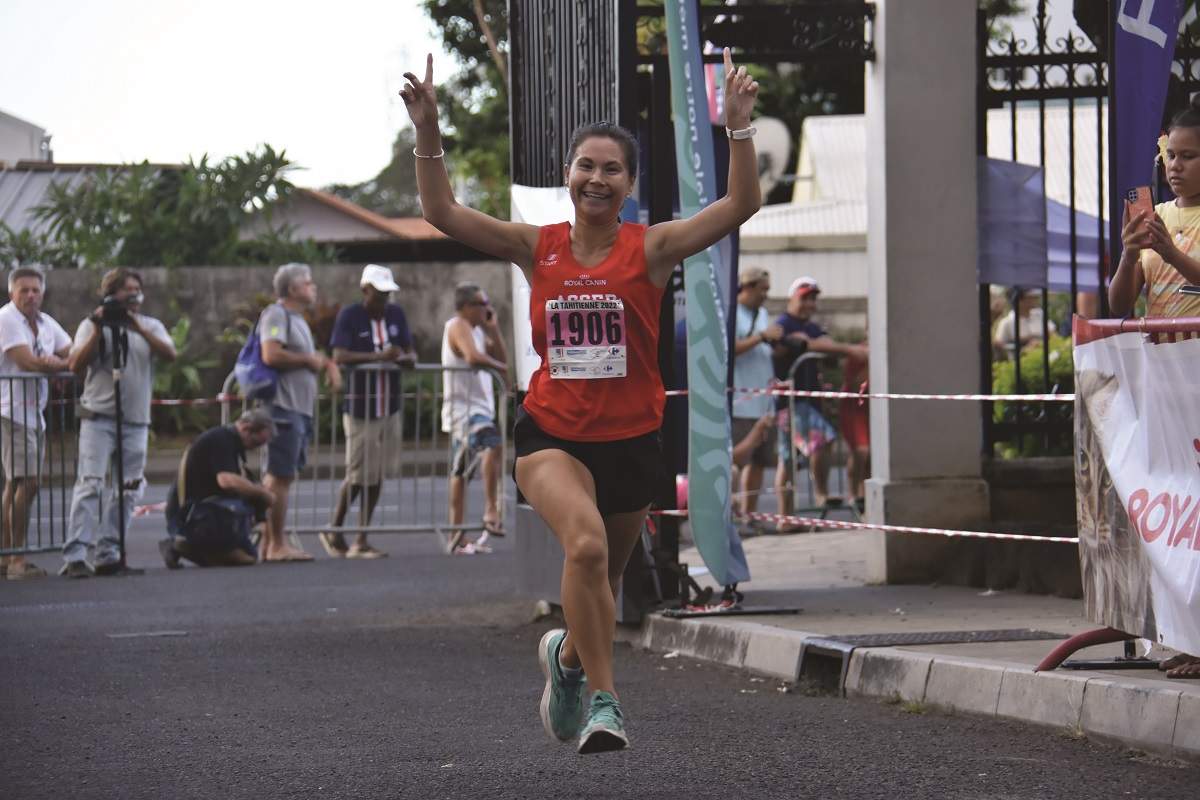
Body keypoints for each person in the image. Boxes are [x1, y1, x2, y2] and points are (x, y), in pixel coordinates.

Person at [401, 47, 761, 753]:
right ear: (567, 175)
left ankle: (567, 660)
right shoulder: (537, 247)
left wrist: (738, 129)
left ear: (630, 183)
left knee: (602, 578)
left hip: (630, 441)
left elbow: (740, 204)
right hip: (552, 435)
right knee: (588, 547)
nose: (597, 178)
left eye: (612, 169)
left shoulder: (652, 249)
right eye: (586, 166)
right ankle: (606, 702)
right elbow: (441, 209)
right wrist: (428, 131)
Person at [1109, 97, 1200, 679]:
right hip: (1163, 386)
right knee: (1174, 511)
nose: (1175, 167)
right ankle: (1180, 632)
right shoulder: (1156, 216)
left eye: (1189, 157)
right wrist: (1129, 253)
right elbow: (1120, 306)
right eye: (1171, 156)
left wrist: (1173, 253)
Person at [61, 269, 176, 579]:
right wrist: (99, 329)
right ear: (111, 294)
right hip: (98, 419)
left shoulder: (151, 325)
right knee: (91, 484)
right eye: (127, 289)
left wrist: (137, 327)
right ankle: (75, 555)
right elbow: (75, 365)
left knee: (128, 488)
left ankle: (109, 552)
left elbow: (169, 354)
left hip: (136, 421)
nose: (134, 294)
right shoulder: (91, 325)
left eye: (137, 288)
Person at [319, 264, 416, 560]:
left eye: (388, 294)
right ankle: (334, 527)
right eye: (379, 293)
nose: (384, 300)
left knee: (378, 474)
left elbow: (411, 353)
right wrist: (378, 356)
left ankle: (361, 538)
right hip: (362, 407)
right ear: (365, 291)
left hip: (390, 406)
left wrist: (404, 358)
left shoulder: (396, 315)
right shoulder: (350, 315)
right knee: (359, 471)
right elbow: (341, 355)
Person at [259, 262, 342, 563]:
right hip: (284, 407)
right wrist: (309, 359)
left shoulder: (296, 319)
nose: (314, 287)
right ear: (292, 289)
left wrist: (321, 363)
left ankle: (269, 544)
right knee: (279, 477)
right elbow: (271, 353)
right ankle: (277, 544)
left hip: (297, 408)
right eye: (308, 283)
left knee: (282, 476)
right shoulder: (276, 314)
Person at [772, 277, 868, 514]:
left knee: (787, 461)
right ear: (790, 299)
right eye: (804, 298)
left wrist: (828, 346)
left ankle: (786, 517)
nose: (810, 304)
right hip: (791, 403)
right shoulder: (784, 324)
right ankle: (821, 494)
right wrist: (848, 349)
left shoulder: (812, 327)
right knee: (822, 440)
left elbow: (828, 356)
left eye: (813, 298)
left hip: (807, 402)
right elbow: (808, 347)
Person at [0, 267, 72, 580]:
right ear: (11, 293)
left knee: (18, 483)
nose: (31, 296)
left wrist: (58, 363)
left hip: (34, 412)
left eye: (35, 290)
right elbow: (25, 361)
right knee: (27, 482)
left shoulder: (45, 322)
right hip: (11, 409)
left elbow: (74, 353)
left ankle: (6, 555)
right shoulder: (7, 319)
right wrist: (56, 366)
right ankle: (16, 558)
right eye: (24, 290)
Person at [159, 408, 276, 568]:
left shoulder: (227, 440)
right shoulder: (221, 440)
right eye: (255, 443)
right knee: (247, 557)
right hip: (190, 515)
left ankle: (210, 545)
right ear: (245, 428)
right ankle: (183, 544)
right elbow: (226, 480)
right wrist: (263, 493)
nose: (254, 449)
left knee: (255, 505)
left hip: (203, 509)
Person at [441, 281, 509, 555]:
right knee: (493, 444)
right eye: (483, 304)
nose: (487, 308)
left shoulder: (477, 331)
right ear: (468, 307)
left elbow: (499, 356)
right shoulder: (458, 326)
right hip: (466, 410)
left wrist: (493, 328)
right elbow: (472, 357)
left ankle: (456, 536)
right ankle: (491, 510)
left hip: (476, 408)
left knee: (461, 472)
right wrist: (502, 369)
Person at [731, 267, 784, 527]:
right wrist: (762, 336)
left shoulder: (761, 313)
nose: (766, 294)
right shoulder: (732, 312)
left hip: (764, 401)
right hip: (741, 401)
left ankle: (750, 517)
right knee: (738, 460)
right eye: (762, 288)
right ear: (748, 286)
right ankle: (733, 514)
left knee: (760, 462)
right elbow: (730, 350)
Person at [837, 329, 870, 514]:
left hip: (872, 409)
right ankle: (854, 494)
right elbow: (857, 384)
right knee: (862, 451)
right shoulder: (859, 353)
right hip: (854, 407)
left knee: (872, 456)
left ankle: (866, 496)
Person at [992, 288, 1057, 359]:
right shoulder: (1007, 323)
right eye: (1031, 297)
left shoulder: (1039, 314)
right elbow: (1000, 346)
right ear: (1020, 301)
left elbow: (1054, 335)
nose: (1036, 299)